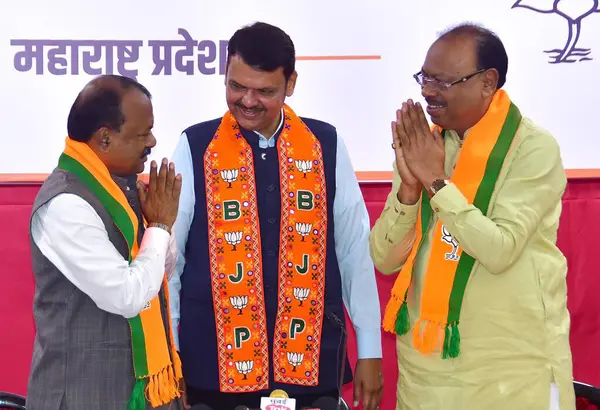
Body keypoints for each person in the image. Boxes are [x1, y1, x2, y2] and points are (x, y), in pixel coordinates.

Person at [168, 22, 383, 410]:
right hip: (212, 369)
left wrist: (370, 349)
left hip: (310, 366)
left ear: (291, 83)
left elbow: (353, 251)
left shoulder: (325, 144)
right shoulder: (196, 145)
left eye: (265, 91)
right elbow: (172, 262)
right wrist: (173, 354)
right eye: (236, 86)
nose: (247, 101)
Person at [369, 23, 576, 410]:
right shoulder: (423, 146)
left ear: (488, 82)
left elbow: (498, 250)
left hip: (510, 375)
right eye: (425, 78)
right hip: (425, 376)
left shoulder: (532, 148)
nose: (428, 91)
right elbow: (384, 258)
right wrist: (410, 191)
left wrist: (436, 182)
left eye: (444, 82)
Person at [27, 74, 184, 410]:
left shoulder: (119, 189)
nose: (153, 141)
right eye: (143, 134)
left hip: (134, 393)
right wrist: (159, 225)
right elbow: (128, 295)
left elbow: (156, 275)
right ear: (104, 139)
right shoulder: (67, 203)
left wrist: (159, 225)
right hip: (85, 394)